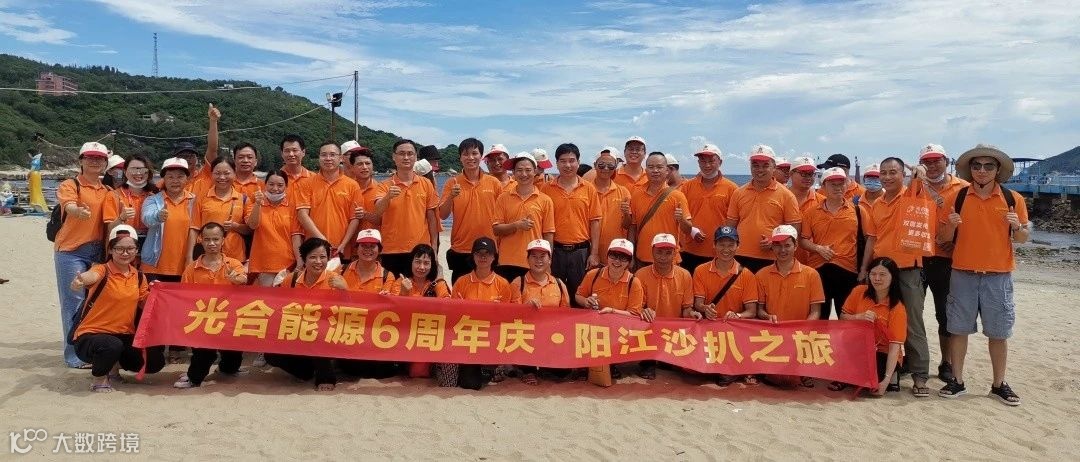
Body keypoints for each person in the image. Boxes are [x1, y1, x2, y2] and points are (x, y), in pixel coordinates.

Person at [937, 144, 1029, 406]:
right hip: (962, 272)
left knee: (998, 332)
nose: (982, 170)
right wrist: (950, 226)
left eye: (989, 166)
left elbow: (1022, 238)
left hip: (998, 275)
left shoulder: (1012, 199)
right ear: (970, 169)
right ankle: (957, 380)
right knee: (958, 329)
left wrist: (1017, 227)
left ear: (998, 170)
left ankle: (999, 384)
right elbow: (943, 238)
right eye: (977, 165)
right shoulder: (958, 197)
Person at [860, 156, 935, 397]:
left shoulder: (913, 194)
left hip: (908, 270)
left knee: (913, 323)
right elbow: (872, 239)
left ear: (903, 174)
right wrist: (864, 269)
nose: (887, 177)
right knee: (883, 321)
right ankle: (892, 370)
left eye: (893, 172)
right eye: (883, 173)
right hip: (882, 271)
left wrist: (920, 171)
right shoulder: (876, 205)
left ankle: (920, 376)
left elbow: (920, 177)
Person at [69, 225, 166, 392]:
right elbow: (91, 276)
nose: (125, 253)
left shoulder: (139, 276)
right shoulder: (102, 270)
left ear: (136, 250)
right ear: (110, 250)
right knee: (111, 345)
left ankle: (113, 367)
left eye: (130, 248)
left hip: (123, 335)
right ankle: (99, 379)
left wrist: (157, 292)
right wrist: (81, 280)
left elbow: (145, 303)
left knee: (155, 360)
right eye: (119, 248)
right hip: (92, 334)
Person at [53, 141, 112, 368]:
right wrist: (76, 210)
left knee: (94, 303)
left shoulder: (108, 191)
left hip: (97, 251)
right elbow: (68, 204)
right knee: (74, 302)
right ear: (81, 161)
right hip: (71, 251)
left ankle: (89, 349)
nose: (94, 161)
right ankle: (73, 356)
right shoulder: (71, 185)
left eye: (99, 158)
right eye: (89, 157)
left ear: (105, 163)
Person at [265, 238, 348, 391]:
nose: (318, 262)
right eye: (313, 257)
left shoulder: (336, 280)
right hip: (297, 333)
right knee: (270, 355)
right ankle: (306, 371)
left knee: (316, 334)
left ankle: (326, 377)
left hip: (326, 334)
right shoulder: (291, 280)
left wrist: (344, 291)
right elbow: (280, 307)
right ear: (304, 259)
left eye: (323, 257)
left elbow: (350, 311)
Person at [174, 222, 249, 389]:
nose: (212, 243)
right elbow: (183, 297)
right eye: (207, 239)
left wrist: (235, 279)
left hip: (229, 320)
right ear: (201, 240)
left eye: (216, 239)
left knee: (232, 362)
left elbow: (243, 280)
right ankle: (193, 378)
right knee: (203, 355)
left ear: (223, 240)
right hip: (203, 321)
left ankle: (227, 369)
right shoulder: (191, 269)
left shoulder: (233, 264)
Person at [917, 144, 968, 383]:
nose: (932, 165)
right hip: (917, 258)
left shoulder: (963, 188)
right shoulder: (915, 187)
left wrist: (955, 242)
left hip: (947, 261)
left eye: (936, 160)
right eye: (927, 161)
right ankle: (912, 359)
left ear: (946, 161)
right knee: (911, 313)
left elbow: (972, 224)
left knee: (945, 315)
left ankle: (946, 362)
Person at [756, 225, 824, 388]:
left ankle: (804, 370)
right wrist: (767, 317)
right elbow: (759, 310)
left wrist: (803, 332)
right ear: (772, 247)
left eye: (787, 245)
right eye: (778, 245)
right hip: (773, 338)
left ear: (795, 246)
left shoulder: (811, 274)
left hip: (801, 338)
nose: (782, 250)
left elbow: (815, 312)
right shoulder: (761, 275)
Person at [692, 226, 760, 386]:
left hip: (733, 332)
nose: (726, 249)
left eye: (731, 245)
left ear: (738, 246)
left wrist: (738, 316)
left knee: (723, 375)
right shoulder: (700, 270)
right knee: (691, 370)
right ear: (714, 245)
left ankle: (733, 368)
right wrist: (705, 309)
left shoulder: (747, 275)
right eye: (721, 244)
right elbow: (698, 303)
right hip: (709, 329)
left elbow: (751, 311)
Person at [450, 238, 521, 389]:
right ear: (473, 256)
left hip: (492, 339)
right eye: (479, 253)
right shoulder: (461, 282)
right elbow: (452, 314)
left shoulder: (502, 284)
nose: (483, 257)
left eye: (487, 253)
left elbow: (510, 316)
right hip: (468, 340)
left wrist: (498, 311)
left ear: (494, 257)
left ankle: (495, 366)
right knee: (470, 384)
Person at [539, 143, 601, 305]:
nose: (568, 165)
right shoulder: (546, 189)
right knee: (554, 294)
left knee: (579, 295)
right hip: (555, 251)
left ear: (578, 162)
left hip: (580, 252)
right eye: (563, 161)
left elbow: (595, 221)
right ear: (557, 163)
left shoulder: (588, 189)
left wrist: (594, 253)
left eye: (572, 160)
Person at [574, 239, 645, 380]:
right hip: (594, 326)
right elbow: (578, 296)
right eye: (614, 256)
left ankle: (611, 363)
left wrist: (612, 312)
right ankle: (584, 364)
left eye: (623, 258)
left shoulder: (634, 282)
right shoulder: (593, 275)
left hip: (618, 327)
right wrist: (586, 302)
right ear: (607, 256)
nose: (617, 261)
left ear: (629, 262)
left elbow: (634, 314)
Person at [725, 145, 801, 272]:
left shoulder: (787, 195)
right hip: (740, 256)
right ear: (750, 167)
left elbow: (794, 230)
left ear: (774, 167)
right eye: (755, 165)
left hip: (772, 258)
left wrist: (774, 242)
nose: (760, 170)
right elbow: (731, 226)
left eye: (765, 165)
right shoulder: (738, 193)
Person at [838, 257, 906, 395]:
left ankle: (892, 376)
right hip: (857, 347)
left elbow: (895, 346)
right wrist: (858, 317)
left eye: (882, 274)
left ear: (893, 277)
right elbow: (842, 318)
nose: (877, 278)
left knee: (870, 382)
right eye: (873, 274)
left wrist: (885, 381)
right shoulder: (859, 291)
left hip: (883, 352)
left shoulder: (897, 308)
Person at [800, 167, 862, 319]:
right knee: (820, 317)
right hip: (819, 269)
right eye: (833, 184)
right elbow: (802, 240)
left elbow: (869, 239)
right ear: (823, 186)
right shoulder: (811, 212)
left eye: (841, 183)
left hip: (848, 270)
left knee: (847, 317)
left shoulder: (858, 210)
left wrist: (864, 269)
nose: (838, 187)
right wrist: (818, 248)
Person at [337, 229, 401, 379]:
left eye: (372, 246)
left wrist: (388, 300)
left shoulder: (387, 276)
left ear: (379, 249)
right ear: (356, 248)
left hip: (374, 334)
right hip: (349, 332)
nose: (368, 250)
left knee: (380, 372)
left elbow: (394, 309)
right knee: (351, 369)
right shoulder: (341, 271)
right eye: (363, 246)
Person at [439, 138, 503, 283]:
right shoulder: (452, 183)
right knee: (460, 291)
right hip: (461, 248)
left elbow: (503, 215)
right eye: (466, 154)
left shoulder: (494, 183)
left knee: (488, 289)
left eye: (474, 153)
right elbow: (442, 215)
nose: (470, 157)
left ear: (481, 156)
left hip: (489, 247)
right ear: (460, 158)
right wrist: (450, 196)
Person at [374, 139, 439, 276]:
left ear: (416, 157)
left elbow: (432, 219)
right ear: (394, 156)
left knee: (420, 288)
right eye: (401, 153)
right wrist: (388, 197)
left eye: (410, 153)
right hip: (392, 250)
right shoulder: (384, 185)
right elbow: (378, 211)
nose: (406, 157)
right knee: (391, 287)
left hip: (420, 250)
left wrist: (434, 247)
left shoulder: (426, 184)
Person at [509, 239, 570, 385]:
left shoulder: (559, 284)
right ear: (527, 260)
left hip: (550, 335)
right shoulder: (518, 282)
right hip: (526, 334)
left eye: (543, 257)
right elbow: (510, 315)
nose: (538, 261)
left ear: (550, 260)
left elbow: (566, 314)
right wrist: (526, 307)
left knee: (563, 372)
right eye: (534, 257)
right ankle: (526, 370)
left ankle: (544, 365)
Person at [633, 233, 693, 379]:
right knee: (637, 318)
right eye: (659, 252)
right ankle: (647, 361)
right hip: (649, 329)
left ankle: (667, 357)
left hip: (673, 332)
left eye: (668, 252)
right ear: (652, 251)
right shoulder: (640, 274)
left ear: (675, 253)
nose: (663, 257)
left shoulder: (685, 275)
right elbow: (636, 306)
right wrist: (643, 310)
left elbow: (686, 308)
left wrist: (692, 314)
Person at [492, 152, 555, 283]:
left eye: (528, 170)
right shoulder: (503, 198)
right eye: (519, 170)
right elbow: (496, 230)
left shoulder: (545, 200)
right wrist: (516, 225)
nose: (524, 174)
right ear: (513, 172)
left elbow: (548, 234)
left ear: (535, 171)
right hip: (507, 261)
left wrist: (548, 261)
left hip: (534, 262)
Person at [677, 144, 738, 273]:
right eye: (703, 161)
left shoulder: (732, 188)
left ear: (720, 162)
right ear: (698, 163)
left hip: (720, 252)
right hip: (689, 250)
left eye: (711, 161)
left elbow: (736, 220)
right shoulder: (686, 187)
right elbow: (680, 215)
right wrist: (692, 230)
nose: (707, 165)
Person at [296, 142, 363, 260]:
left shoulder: (352, 185)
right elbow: (302, 215)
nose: (328, 158)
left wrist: (344, 243)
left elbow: (355, 218)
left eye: (332, 155)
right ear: (319, 157)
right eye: (324, 155)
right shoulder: (306, 183)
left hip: (341, 249)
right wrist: (323, 241)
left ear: (340, 158)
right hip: (314, 249)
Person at [398, 244, 451, 379]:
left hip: (428, 334)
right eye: (417, 262)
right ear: (411, 262)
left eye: (426, 263)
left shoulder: (439, 284)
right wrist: (403, 293)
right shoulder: (401, 282)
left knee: (419, 373)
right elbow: (393, 310)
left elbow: (447, 304)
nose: (421, 267)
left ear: (432, 265)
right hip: (405, 333)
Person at [630, 152, 693, 267]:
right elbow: (633, 227)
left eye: (659, 167)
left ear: (667, 170)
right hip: (642, 258)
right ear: (646, 170)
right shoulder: (636, 195)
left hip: (669, 259)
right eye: (651, 167)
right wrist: (631, 256)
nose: (655, 170)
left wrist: (681, 220)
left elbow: (688, 230)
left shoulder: (677, 196)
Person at [141, 158, 196, 284]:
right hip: (154, 266)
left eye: (180, 177)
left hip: (185, 267)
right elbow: (146, 218)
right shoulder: (153, 200)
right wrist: (158, 216)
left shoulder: (194, 201)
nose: (175, 181)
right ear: (164, 180)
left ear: (187, 179)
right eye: (170, 177)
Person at [186, 157, 249, 264]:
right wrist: (189, 257)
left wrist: (236, 226)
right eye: (217, 173)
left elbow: (250, 229)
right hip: (205, 255)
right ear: (211, 174)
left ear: (235, 174)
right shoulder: (202, 198)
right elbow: (194, 228)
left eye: (227, 173)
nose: (222, 177)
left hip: (234, 256)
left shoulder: (243, 199)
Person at [245, 170, 302, 286]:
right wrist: (258, 204)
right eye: (271, 184)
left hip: (288, 264)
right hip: (264, 264)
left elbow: (296, 237)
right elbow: (252, 225)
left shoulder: (292, 208)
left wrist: (300, 262)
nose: (275, 189)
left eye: (280, 185)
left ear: (286, 186)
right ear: (265, 185)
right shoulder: (254, 203)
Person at [591, 148, 633, 266]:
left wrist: (626, 214)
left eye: (610, 166)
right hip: (590, 252)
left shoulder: (623, 192)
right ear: (595, 165)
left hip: (616, 253)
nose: (605, 169)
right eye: (601, 165)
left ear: (615, 167)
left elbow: (627, 225)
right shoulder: (586, 190)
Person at [103, 154, 158, 241]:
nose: (138, 173)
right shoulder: (113, 195)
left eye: (143, 169)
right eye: (133, 169)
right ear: (125, 172)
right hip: (123, 246)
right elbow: (110, 228)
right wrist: (121, 218)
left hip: (149, 246)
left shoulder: (153, 198)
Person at [168, 104, 220, 195]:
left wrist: (213, 121)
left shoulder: (205, 175)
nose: (187, 159)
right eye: (183, 156)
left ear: (197, 159)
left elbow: (212, 149)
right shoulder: (167, 182)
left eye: (191, 156)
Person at [342, 141, 382, 231]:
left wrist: (365, 215)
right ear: (352, 167)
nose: (364, 167)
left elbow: (385, 220)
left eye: (368, 163)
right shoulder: (345, 189)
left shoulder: (382, 189)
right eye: (360, 164)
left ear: (372, 165)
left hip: (374, 238)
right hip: (349, 239)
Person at [787, 156, 819, 264]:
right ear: (791, 174)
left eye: (811, 174)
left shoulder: (822, 201)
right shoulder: (780, 198)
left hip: (813, 262)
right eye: (803, 173)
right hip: (782, 261)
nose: (808, 177)